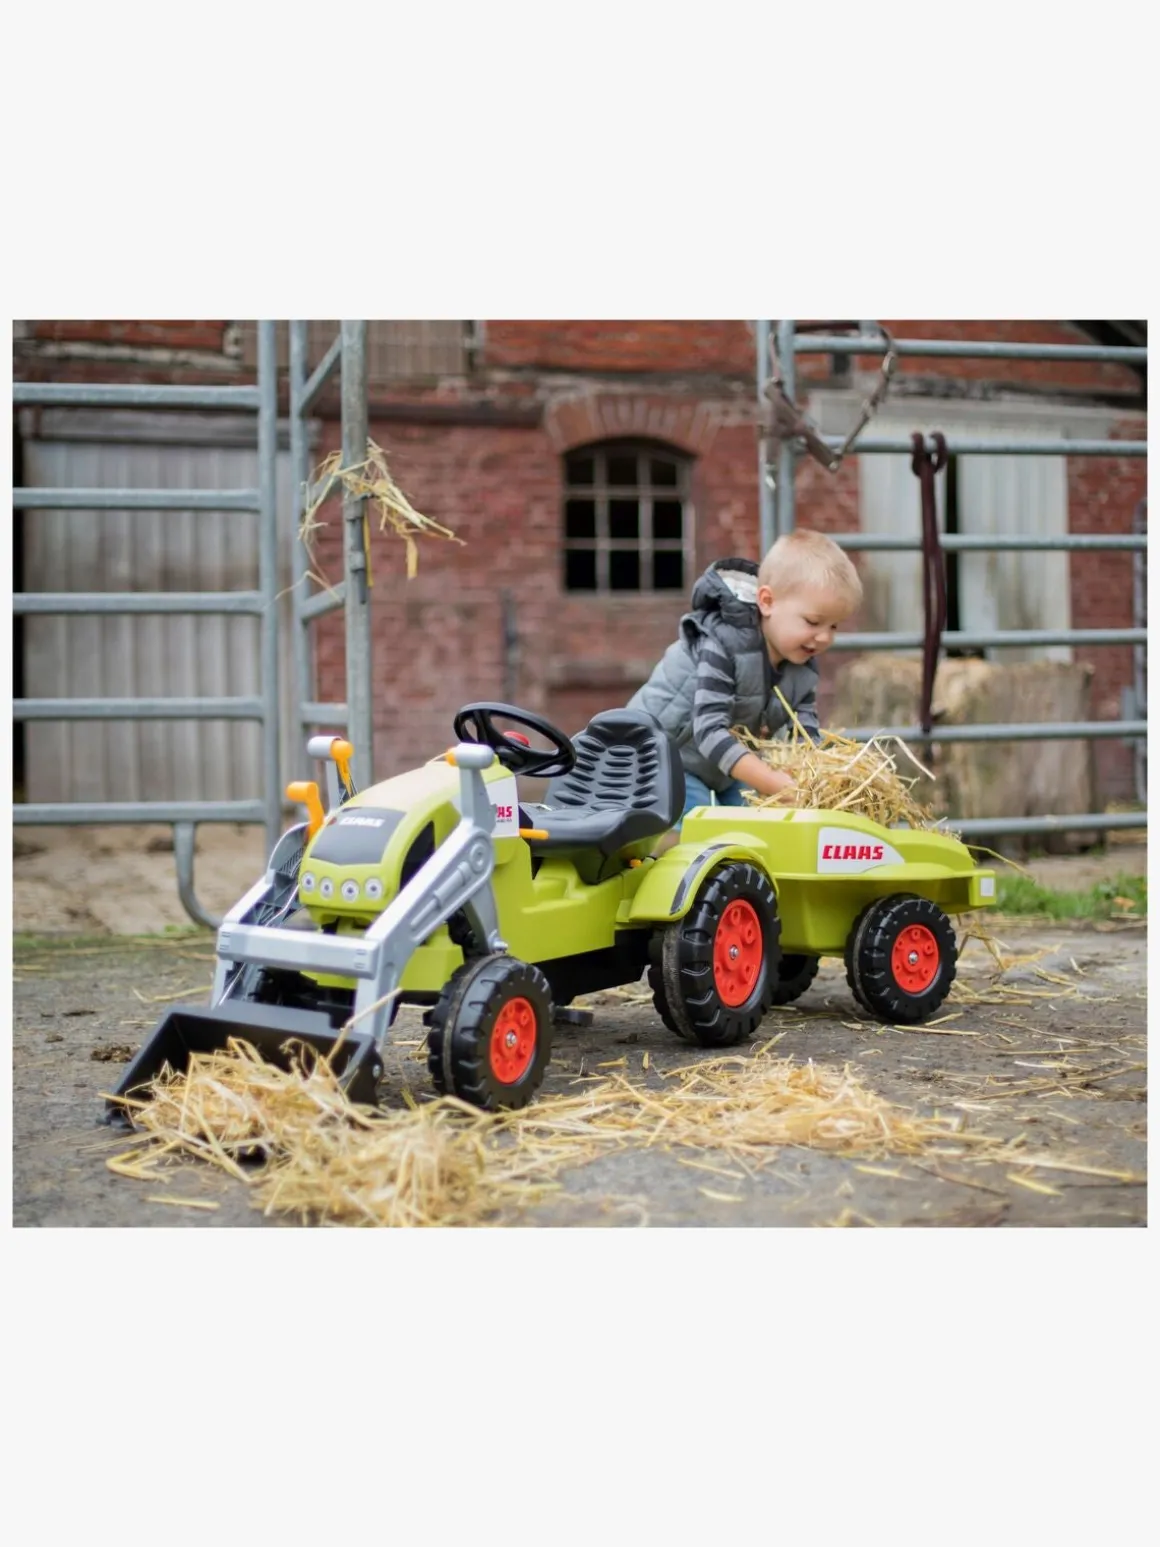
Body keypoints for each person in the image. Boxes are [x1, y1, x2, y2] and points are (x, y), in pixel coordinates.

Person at [628, 528, 862, 824]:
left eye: (834, 626)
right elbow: (709, 732)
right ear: (767, 601)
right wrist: (773, 782)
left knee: (759, 824)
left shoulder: (801, 666)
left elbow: (804, 737)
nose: (824, 637)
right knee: (714, 828)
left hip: (719, 770)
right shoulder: (723, 645)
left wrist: (814, 779)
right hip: (659, 764)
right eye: (813, 622)